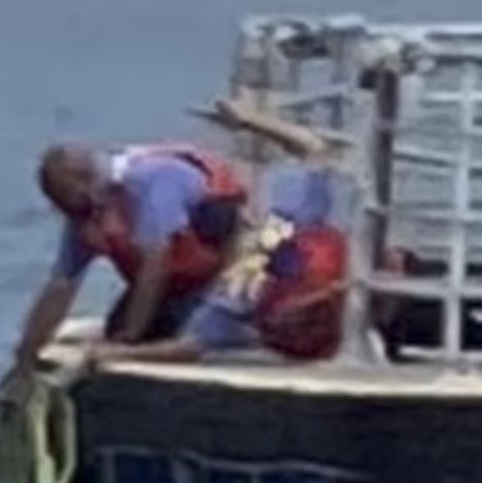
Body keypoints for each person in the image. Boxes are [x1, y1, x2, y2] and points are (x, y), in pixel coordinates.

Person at [87, 99, 349, 366]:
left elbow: (189, 349)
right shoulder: (285, 224)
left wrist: (119, 353)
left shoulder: (237, 287)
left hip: (311, 331)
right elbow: (314, 148)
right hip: (339, 313)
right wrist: (249, 119)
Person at [15, 141, 247, 368]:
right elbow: (61, 285)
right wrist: (27, 351)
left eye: (67, 201)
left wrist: (128, 340)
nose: (68, 214)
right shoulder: (84, 218)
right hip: (177, 281)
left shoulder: (148, 181)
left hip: (222, 266)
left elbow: (156, 262)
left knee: (191, 337)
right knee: (118, 330)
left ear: (86, 181)